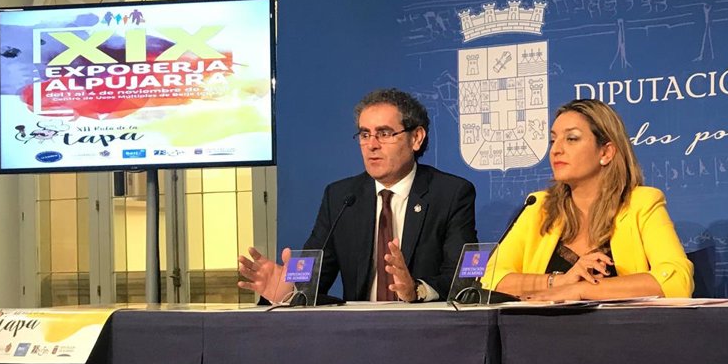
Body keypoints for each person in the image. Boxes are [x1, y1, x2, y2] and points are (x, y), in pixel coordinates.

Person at [239, 88, 476, 303]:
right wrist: (290, 291)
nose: (372, 145)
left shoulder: (451, 194)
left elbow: (462, 278)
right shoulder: (341, 197)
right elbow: (316, 275)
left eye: (384, 133)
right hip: (358, 330)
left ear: (416, 138)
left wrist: (416, 290)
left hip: (426, 328)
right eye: (364, 135)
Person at [488, 99, 693, 300]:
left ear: (606, 152)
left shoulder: (642, 204)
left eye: (571, 138)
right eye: (553, 140)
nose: (556, 149)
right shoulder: (538, 207)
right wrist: (560, 281)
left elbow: (677, 279)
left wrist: (581, 290)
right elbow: (488, 278)